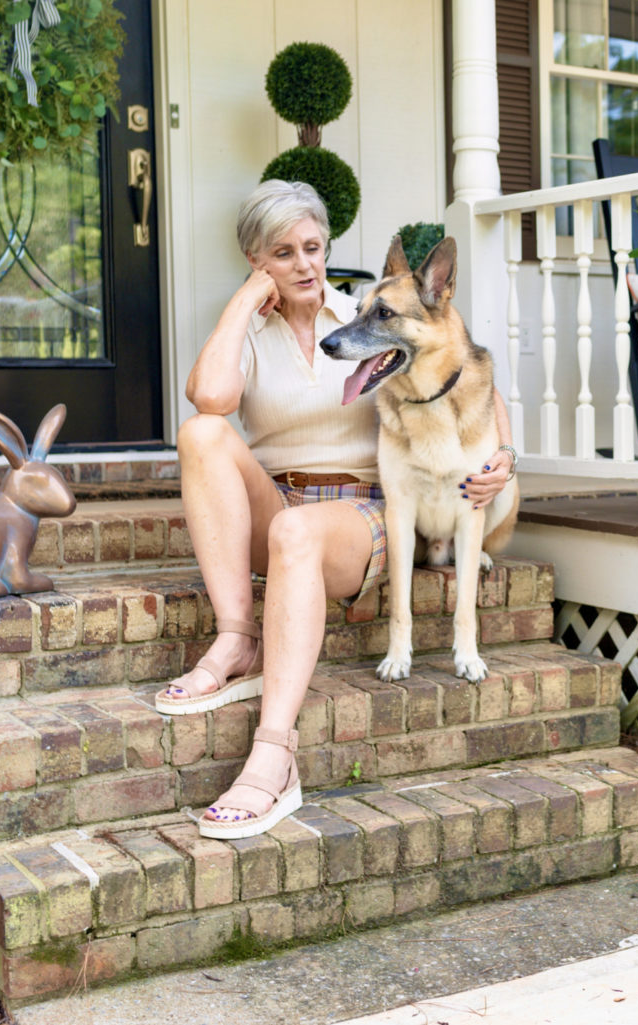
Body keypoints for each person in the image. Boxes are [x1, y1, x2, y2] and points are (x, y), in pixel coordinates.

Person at [156, 180, 516, 839]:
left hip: (361, 517)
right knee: (200, 432)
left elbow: (462, 363)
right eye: (281, 252)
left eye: (312, 248)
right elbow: (209, 395)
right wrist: (244, 300)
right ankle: (237, 636)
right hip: (280, 509)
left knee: (297, 528)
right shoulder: (248, 330)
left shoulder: (364, 314)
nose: (302, 264)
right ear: (255, 259)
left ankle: (274, 754)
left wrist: (502, 455)